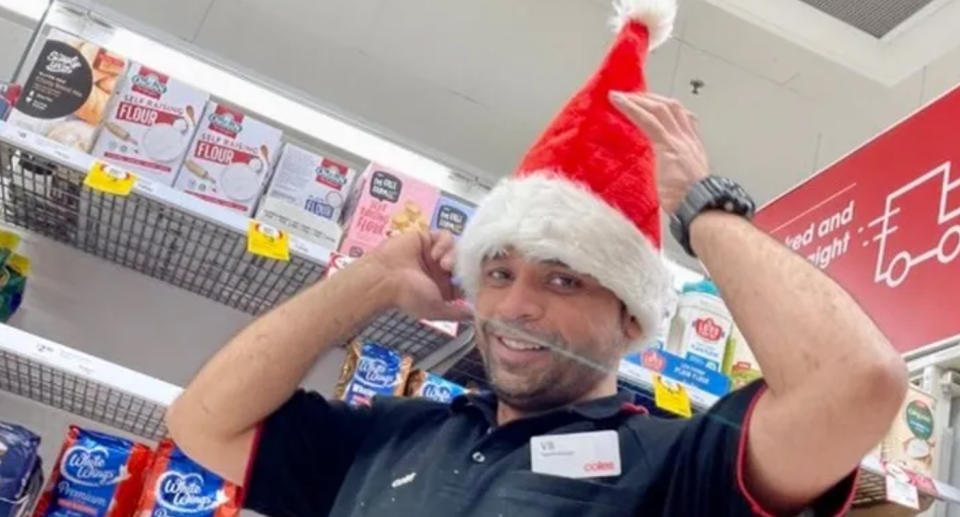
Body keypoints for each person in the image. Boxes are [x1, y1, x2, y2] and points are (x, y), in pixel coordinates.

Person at [166, 0, 907, 515]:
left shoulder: (681, 465)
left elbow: (857, 382)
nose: (516, 306)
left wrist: (701, 208)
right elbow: (204, 421)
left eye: (563, 278)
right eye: (498, 271)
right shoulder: (394, 435)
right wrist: (371, 280)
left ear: (629, 315)